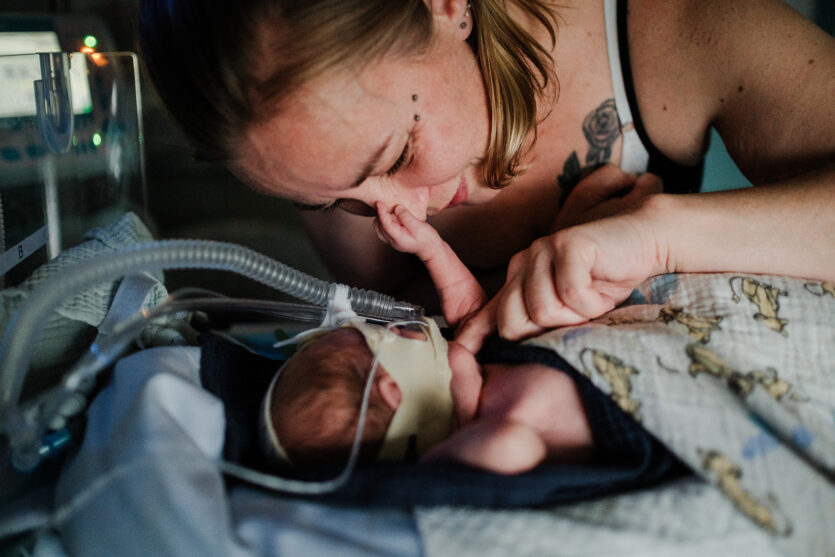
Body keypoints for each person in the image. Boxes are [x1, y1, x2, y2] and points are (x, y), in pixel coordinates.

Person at [139, 0, 835, 353]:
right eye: (329, 203)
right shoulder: (315, 149)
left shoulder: (669, 25)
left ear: (444, 5)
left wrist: (657, 237)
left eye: (393, 157)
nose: (397, 218)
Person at [260, 206, 595, 474]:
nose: (403, 327)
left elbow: (470, 311)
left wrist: (432, 250)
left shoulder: (477, 367)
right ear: (392, 390)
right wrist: (439, 459)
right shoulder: (484, 426)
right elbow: (514, 446)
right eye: (385, 335)